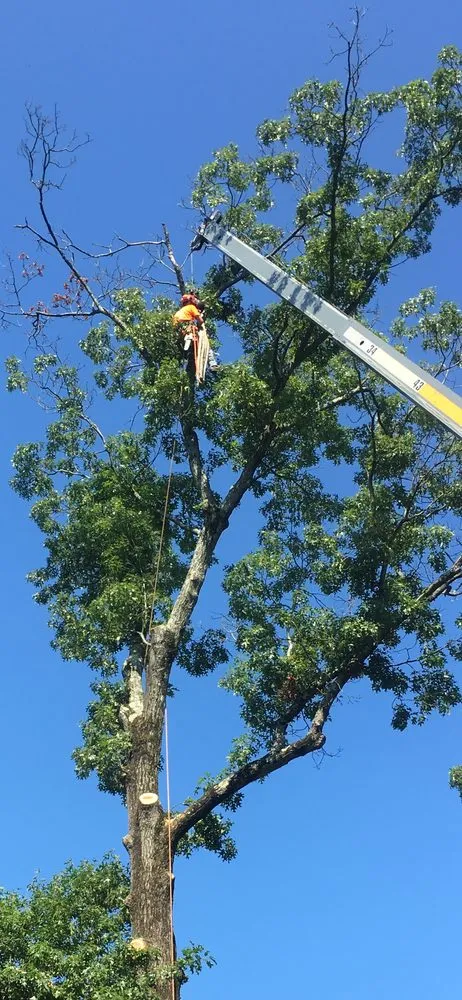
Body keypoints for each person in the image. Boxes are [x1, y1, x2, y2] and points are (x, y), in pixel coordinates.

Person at [172, 293, 219, 380]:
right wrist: (199, 322)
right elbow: (200, 321)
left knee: (191, 353)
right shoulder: (191, 307)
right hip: (189, 332)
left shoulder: (179, 312)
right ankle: (213, 364)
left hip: (181, 335)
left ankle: (189, 372)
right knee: (206, 347)